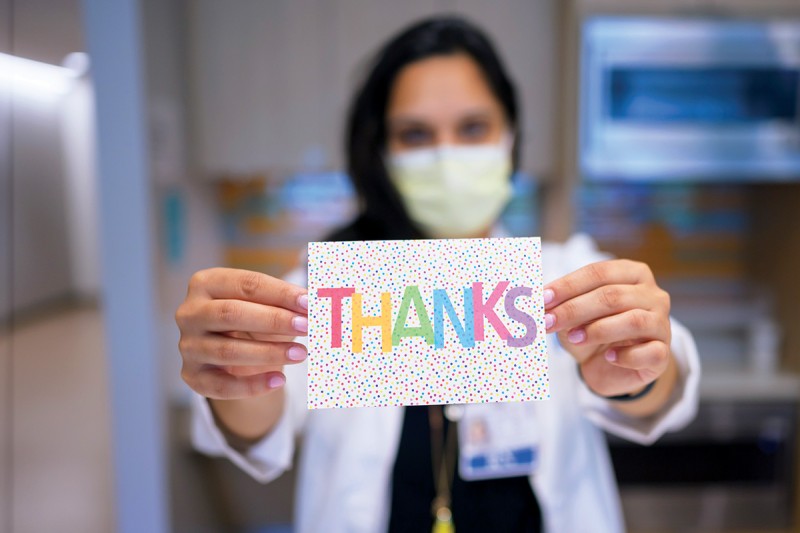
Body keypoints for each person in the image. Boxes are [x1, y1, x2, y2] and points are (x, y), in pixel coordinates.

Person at [176, 16, 700, 533]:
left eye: (473, 128)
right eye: (416, 134)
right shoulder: (330, 290)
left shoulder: (565, 277)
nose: (447, 155)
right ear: (383, 152)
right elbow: (263, 419)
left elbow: (667, 384)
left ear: (511, 136)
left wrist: (637, 367)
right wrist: (238, 371)